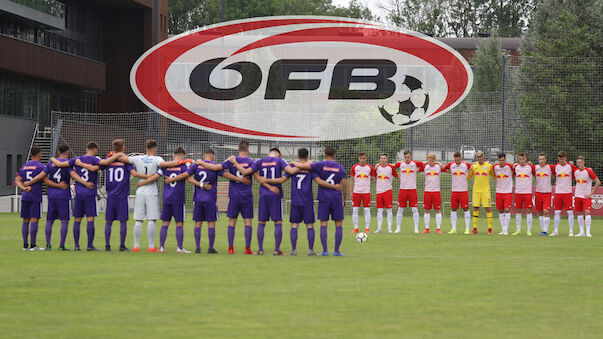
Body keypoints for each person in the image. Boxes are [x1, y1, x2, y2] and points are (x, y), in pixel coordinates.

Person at [51, 142, 121, 251]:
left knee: (77, 219)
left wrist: (52, 159)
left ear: (86, 148)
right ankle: (89, 245)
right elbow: (104, 163)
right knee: (90, 219)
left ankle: (76, 246)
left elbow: (60, 165)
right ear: (95, 150)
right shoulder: (95, 159)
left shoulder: (76, 159)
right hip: (89, 192)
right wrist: (117, 155)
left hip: (78, 193)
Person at [190, 140, 254, 254]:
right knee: (248, 222)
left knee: (231, 222)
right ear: (248, 149)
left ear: (238, 149)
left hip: (233, 196)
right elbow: (223, 172)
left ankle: (230, 249)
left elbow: (216, 168)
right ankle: (247, 248)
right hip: (246, 196)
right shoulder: (251, 161)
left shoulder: (231, 160)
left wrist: (201, 162)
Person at [230, 147, 295, 255]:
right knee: (277, 222)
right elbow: (290, 171)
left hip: (263, 195)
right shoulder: (280, 161)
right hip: (276, 194)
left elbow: (246, 172)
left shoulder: (260, 161)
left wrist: (235, 163)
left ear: (269, 153)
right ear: (278, 154)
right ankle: (276, 250)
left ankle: (260, 250)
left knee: (261, 222)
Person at [259, 148, 323, 255]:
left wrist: (265, 180)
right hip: (307, 200)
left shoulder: (293, 167)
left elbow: (282, 180)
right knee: (310, 225)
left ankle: (293, 250)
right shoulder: (310, 168)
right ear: (307, 156)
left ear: (297, 156)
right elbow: (318, 180)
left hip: (295, 200)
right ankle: (311, 250)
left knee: (294, 225)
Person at [291, 146, 347, 256]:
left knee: (324, 224)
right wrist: (345, 198)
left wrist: (293, 162)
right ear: (334, 155)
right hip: (336, 198)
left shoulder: (319, 165)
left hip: (324, 198)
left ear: (324, 154)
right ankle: (336, 251)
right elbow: (344, 184)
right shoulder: (340, 167)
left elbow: (317, 180)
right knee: (338, 225)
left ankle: (325, 251)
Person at [128, 140, 179, 252]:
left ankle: (136, 246)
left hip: (140, 191)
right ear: (155, 148)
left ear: (146, 148)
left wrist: (113, 155)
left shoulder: (138, 158)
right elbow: (165, 165)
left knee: (138, 219)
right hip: (151, 192)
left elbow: (124, 158)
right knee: (151, 219)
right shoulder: (157, 159)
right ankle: (151, 247)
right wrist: (178, 161)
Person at [143, 147, 193, 253]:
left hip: (166, 199)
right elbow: (189, 179)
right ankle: (179, 248)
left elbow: (156, 176)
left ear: (173, 155)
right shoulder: (183, 167)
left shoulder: (165, 166)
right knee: (179, 223)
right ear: (182, 156)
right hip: (178, 199)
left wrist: (144, 182)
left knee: (165, 223)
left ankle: (161, 247)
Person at [187, 149, 224, 254]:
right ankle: (210, 248)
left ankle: (198, 248)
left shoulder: (196, 165)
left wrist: (200, 185)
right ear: (213, 156)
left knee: (198, 223)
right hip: (211, 199)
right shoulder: (215, 166)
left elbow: (188, 178)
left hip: (198, 198)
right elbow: (225, 174)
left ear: (204, 155)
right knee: (211, 223)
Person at [15, 146, 46, 250]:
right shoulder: (41, 167)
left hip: (25, 196)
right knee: (34, 219)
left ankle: (25, 245)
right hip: (35, 196)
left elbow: (17, 180)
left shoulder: (24, 166)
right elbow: (45, 180)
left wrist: (24, 188)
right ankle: (33, 245)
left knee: (25, 220)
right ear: (39, 154)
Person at [42, 144, 72, 250]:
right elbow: (74, 175)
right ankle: (61, 245)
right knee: (64, 220)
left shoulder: (51, 163)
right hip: (63, 195)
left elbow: (45, 179)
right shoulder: (68, 164)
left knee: (49, 220)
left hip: (52, 195)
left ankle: (48, 245)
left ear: (58, 151)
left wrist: (55, 185)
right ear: (68, 152)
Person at [393, 150, 423, 233]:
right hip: (402, 190)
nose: (407, 159)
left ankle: (416, 228)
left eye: (408, 157)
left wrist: (418, 171)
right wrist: (397, 177)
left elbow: (424, 164)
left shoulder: (415, 164)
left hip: (412, 190)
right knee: (400, 209)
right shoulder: (400, 164)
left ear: (411, 157)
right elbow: (392, 168)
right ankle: (398, 228)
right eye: (405, 157)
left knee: (414, 209)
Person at [443, 152, 471, 234]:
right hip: (454, 191)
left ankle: (467, 229)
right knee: (453, 209)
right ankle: (453, 228)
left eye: (458, 160)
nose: (456, 162)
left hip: (463, 191)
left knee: (465, 209)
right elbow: (444, 168)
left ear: (461, 159)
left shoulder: (466, 165)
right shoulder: (451, 165)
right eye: (455, 160)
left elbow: (474, 168)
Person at [467, 151, 494, 235]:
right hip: (476, 191)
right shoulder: (474, 166)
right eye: (478, 158)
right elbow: (468, 176)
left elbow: (494, 175)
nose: (479, 159)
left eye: (480, 158)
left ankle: (490, 229)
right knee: (475, 208)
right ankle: (475, 229)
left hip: (486, 191)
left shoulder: (489, 166)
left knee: (488, 208)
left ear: (484, 158)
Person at [573, 156, 600, 237]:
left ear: (584, 162)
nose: (578, 164)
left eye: (580, 162)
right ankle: (581, 232)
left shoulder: (589, 171)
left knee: (587, 212)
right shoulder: (576, 172)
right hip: (577, 196)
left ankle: (588, 232)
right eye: (577, 162)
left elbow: (598, 182)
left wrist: (591, 193)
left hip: (586, 196)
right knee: (579, 213)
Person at [552, 151, 578, 237]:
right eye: (560, 159)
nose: (561, 161)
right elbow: (551, 175)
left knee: (570, 212)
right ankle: (555, 231)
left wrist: (573, 165)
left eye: (562, 159)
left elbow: (576, 175)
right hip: (558, 192)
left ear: (566, 158)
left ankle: (571, 231)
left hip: (567, 192)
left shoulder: (570, 167)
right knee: (557, 212)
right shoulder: (556, 167)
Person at [350, 152, 376, 233]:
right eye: (361, 158)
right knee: (355, 210)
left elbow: (374, 179)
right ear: (358, 158)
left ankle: (367, 228)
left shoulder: (370, 168)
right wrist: (351, 192)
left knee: (367, 210)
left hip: (366, 192)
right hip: (356, 192)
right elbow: (351, 180)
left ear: (366, 158)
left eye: (363, 158)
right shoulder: (354, 167)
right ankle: (356, 228)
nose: (362, 160)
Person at [374, 154, 398, 233]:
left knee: (389, 210)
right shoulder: (377, 168)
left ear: (387, 159)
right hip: (379, 192)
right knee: (379, 210)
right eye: (381, 158)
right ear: (380, 159)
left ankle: (389, 229)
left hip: (387, 191)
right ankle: (379, 228)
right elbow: (372, 176)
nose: (383, 160)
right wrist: (377, 182)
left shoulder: (390, 168)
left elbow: (397, 176)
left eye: (384, 158)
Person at [420, 154, 443, 234]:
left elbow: (446, 169)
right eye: (429, 161)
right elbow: (417, 169)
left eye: (432, 161)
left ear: (435, 160)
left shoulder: (438, 167)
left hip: (436, 191)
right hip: (427, 191)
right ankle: (427, 229)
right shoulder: (425, 167)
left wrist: (441, 165)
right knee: (427, 210)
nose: (430, 162)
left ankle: (438, 228)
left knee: (437, 210)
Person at [533, 153, 555, 236]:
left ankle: (545, 230)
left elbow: (560, 166)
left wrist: (569, 163)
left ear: (545, 160)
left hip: (547, 193)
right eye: (540, 159)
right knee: (541, 212)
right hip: (538, 192)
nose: (541, 161)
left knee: (546, 211)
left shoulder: (550, 167)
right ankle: (543, 230)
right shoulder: (535, 168)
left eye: (542, 159)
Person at [492, 153, 513, 235]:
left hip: (507, 192)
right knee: (500, 210)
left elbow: (517, 167)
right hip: (499, 192)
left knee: (507, 210)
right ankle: (503, 229)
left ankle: (506, 230)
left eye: (503, 160)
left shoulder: (509, 167)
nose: (501, 162)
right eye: (500, 160)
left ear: (505, 160)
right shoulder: (495, 167)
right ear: (498, 160)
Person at [512, 152, 534, 236]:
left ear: (525, 159)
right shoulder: (516, 167)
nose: (521, 161)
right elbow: (513, 176)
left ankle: (529, 230)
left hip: (527, 192)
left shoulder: (530, 167)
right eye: (520, 159)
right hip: (518, 192)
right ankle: (518, 230)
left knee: (528, 211)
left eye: (523, 159)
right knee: (518, 210)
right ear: (518, 159)